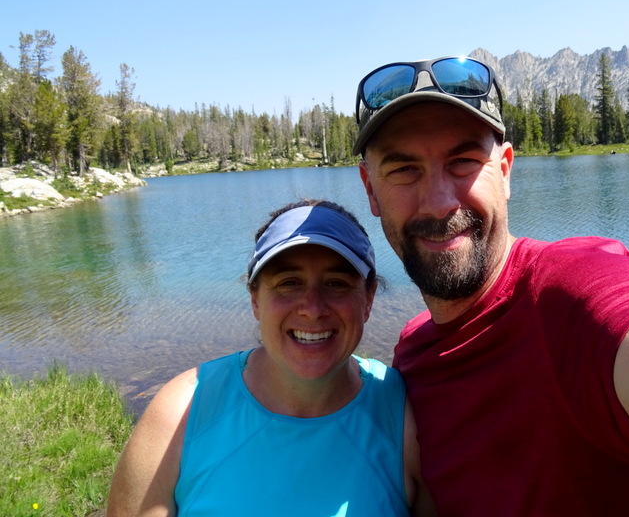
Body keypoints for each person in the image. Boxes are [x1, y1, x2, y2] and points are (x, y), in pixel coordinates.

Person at [353, 56, 629, 517]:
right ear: (370, 189)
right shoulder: (414, 354)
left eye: (463, 161)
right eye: (404, 170)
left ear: (505, 171)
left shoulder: (575, 295)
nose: (440, 202)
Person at [107, 199, 436, 516]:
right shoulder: (181, 413)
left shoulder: (405, 417)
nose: (312, 308)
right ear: (255, 299)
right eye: (288, 283)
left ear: (368, 298)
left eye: (336, 283)